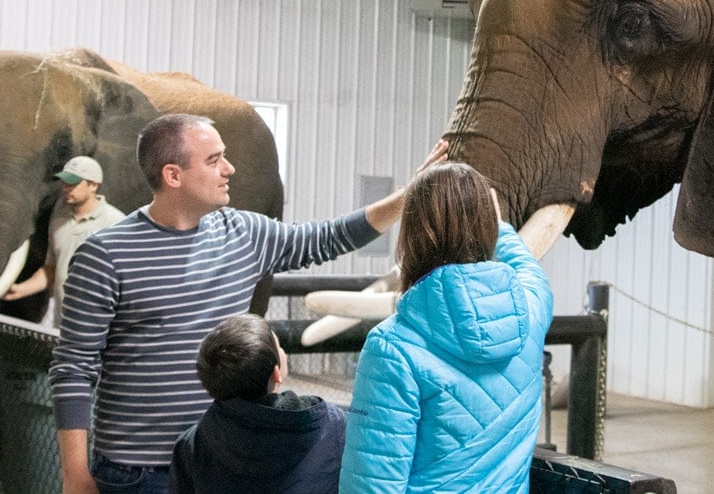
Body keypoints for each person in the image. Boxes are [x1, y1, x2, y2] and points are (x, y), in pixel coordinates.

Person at [49, 113, 447, 494]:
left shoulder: (245, 233)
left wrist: (407, 196)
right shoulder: (105, 255)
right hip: (139, 473)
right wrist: (76, 476)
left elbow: (327, 238)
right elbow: (73, 368)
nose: (229, 168)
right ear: (173, 175)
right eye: (214, 159)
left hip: (223, 460)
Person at [339, 162, 553, 493]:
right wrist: (499, 227)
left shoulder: (391, 348)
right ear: (488, 230)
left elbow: (371, 485)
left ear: (415, 233)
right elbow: (528, 269)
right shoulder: (531, 313)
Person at [169, 313, 346, 493]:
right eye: (279, 347)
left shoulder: (193, 444)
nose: (283, 351)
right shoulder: (332, 426)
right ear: (276, 373)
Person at [2, 156, 125, 327]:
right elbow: (53, 270)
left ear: (93, 185)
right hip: (61, 320)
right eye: (65, 183)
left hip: (98, 327)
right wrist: (20, 290)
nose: (66, 188)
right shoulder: (59, 218)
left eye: (73, 183)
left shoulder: (116, 224)